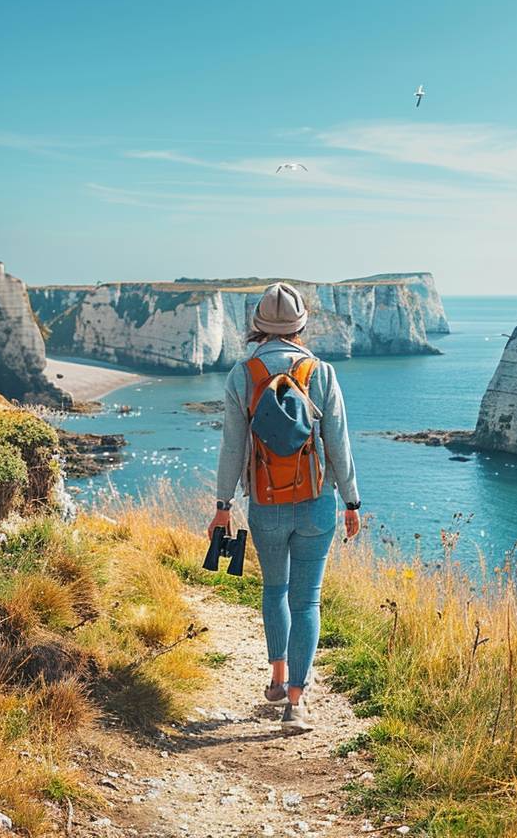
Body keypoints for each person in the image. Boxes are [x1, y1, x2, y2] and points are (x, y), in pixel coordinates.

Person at [209, 282, 362, 732]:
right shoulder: (323, 373)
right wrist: (351, 501)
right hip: (316, 504)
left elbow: (231, 448)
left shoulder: (243, 374)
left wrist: (223, 506)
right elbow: (338, 445)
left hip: (265, 506)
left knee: (275, 590)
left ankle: (276, 681)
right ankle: (297, 702)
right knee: (307, 599)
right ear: (301, 326)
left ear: (258, 326)